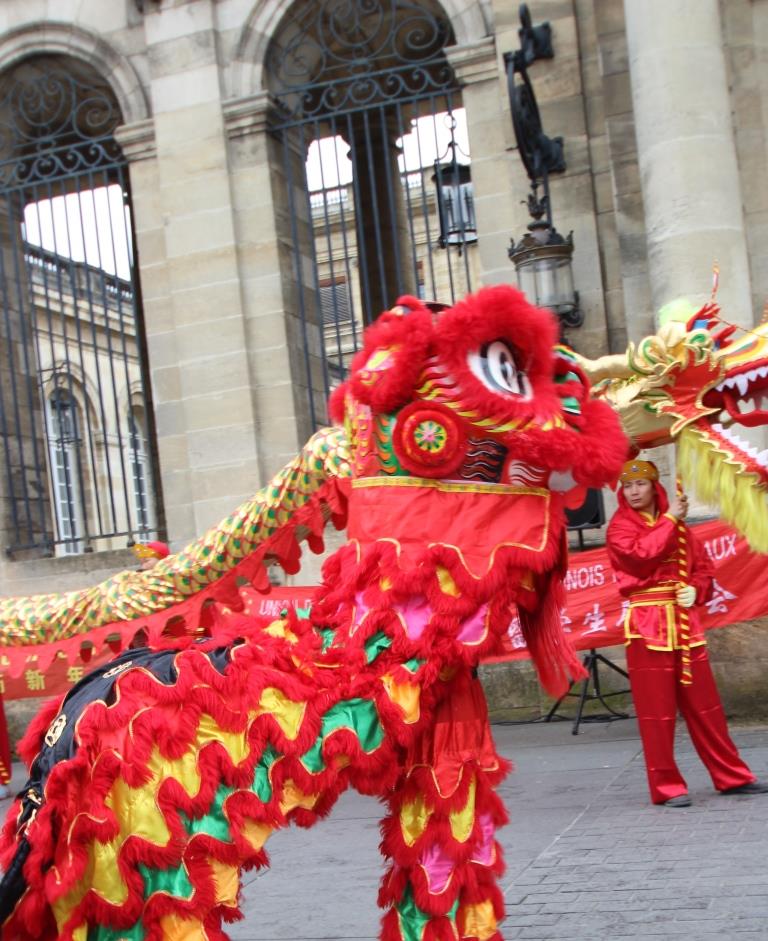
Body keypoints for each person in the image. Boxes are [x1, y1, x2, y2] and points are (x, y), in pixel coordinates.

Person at [606, 459, 768, 807]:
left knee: (706, 707)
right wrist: (670, 519)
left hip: (685, 625)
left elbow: (703, 568)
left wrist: (696, 589)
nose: (633, 492)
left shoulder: (680, 529)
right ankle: (667, 787)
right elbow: (640, 557)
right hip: (647, 627)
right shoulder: (620, 527)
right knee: (656, 713)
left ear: (654, 486)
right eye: (628, 486)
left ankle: (732, 776)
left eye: (640, 484)